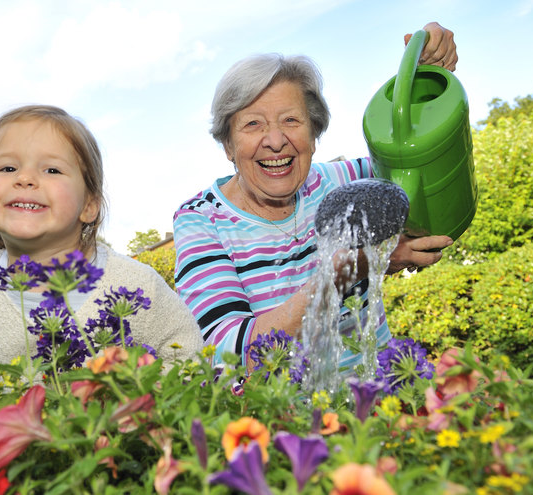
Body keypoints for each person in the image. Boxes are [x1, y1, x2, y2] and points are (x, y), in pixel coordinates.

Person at [173, 22, 457, 371]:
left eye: (291, 120)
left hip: (382, 400)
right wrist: (342, 274)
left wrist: (427, 84)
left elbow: (426, 171)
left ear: (314, 134)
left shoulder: (346, 182)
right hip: (282, 420)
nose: (275, 140)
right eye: (253, 124)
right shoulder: (202, 220)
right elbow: (230, 357)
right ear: (228, 145)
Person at [0, 105, 203, 376]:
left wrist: (137, 404)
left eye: (52, 170)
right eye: (8, 167)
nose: (24, 178)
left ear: (89, 205)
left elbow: (189, 356)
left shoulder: (137, 284)